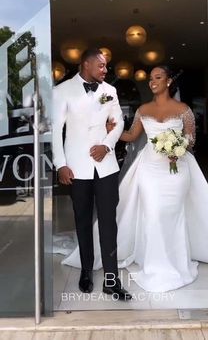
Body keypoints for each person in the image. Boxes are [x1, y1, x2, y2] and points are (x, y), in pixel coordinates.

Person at [58, 65, 208, 293]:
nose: (152, 82)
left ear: (169, 81)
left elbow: (190, 140)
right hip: (150, 170)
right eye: (150, 78)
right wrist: (109, 129)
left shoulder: (184, 109)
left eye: (158, 78)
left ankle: (176, 263)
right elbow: (132, 135)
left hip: (177, 171)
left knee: (172, 215)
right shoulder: (143, 109)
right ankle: (155, 264)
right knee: (153, 214)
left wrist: (177, 147)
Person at [52, 48, 132, 300]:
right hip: (76, 167)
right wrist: (60, 164)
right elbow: (55, 130)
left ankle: (111, 279)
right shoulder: (61, 90)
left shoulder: (110, 91)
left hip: (106, 166)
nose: (105, 70)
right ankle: (86, 271)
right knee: (83, 221)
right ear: (85, 64)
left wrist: (107, 144)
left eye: (106, 66)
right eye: (101, 65)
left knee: (109, 221)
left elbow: (118, 121)